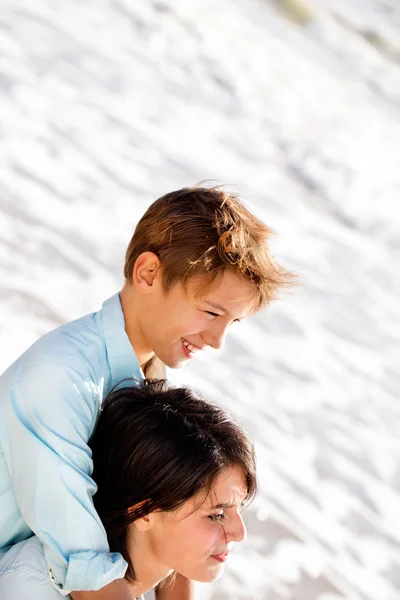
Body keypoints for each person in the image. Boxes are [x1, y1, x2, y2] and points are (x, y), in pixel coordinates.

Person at [0, 185, 293, 600]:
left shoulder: (145, 375)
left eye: (233, 322)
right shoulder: (62, 379)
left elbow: (169, 530)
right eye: (211, 312)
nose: (217, 340)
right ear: (148, 274)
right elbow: (84, 566)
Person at [0, 380, 257, 599]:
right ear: (143, 511)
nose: (240, 534)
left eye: (239, 508)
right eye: (217, 515)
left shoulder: (145, 582)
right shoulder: (32, 586)